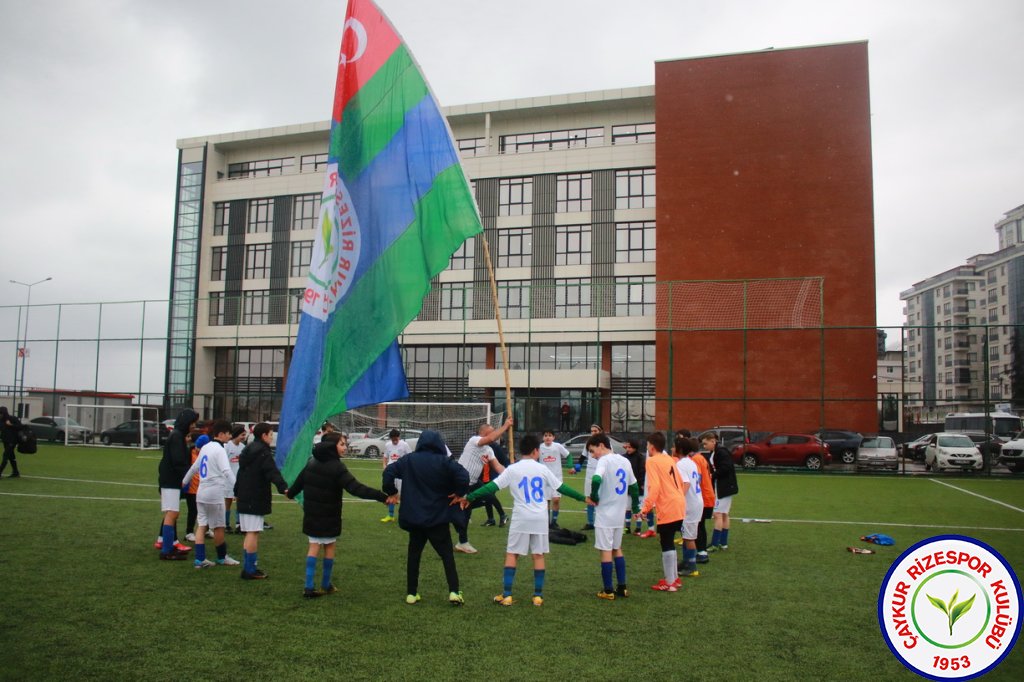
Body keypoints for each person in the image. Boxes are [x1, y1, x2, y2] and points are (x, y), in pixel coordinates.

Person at [464, 433, 587, 607]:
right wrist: (583, 499)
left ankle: (507, 595)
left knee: (512, 554)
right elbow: (562, 488)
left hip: (521, 518)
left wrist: (470, 497)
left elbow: (492, 487)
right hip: (540, 517)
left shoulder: (513, 469)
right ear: (536, 451)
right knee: (538, 555)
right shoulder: (543, 469)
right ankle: (537, 596)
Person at [287, 432, 389, 598]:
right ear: (331, 446)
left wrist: (290, 494)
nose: (345, 448)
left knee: (313, 547)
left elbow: (298, 484)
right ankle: (325, 584)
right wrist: (382, 497)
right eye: (342, 444)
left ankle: (309, 586)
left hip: (312, 514)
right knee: (329, 547)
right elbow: (356, 488)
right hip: (329, 515)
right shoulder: (337, 467)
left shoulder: (311, 463)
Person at [382, 430, 469, 606]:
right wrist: (459, 493)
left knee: (414, 555)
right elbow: (464, 475)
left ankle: (411, 594)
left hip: (414, 518)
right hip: (437, 518)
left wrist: (391, 491)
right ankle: (453, 592)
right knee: (447, 556)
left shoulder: (409, 460)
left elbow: (388, 472)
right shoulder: (444, 461)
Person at [586, 433, 639, 600]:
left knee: (606, 551)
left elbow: (596, 479)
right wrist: (636, 506)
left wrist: (593, 495)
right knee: (617, 549)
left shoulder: (604, 460)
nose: (593, 455)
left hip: (605, 513)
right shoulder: (624, 461)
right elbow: (634, 486)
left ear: (601, 445)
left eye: (593, 451)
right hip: (619, 514)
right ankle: (622, 587)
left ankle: (608, 590)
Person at [181, 420, 240, 569]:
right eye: (228, 433)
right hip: (214, 492)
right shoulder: (219, 450)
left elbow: (194, 467)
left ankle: (200, 560)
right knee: (219, 526)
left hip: (201, 492)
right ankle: (222, 557)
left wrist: (184, 481)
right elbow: (227, 471)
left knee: (202, 525)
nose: (230, 436)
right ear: (221, 434)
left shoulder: (205, 447)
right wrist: (238, 488)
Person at [234, 422, 288, 580]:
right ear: (264, 435)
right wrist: (284, 488)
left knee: (250, 533)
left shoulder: (248, 449)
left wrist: (237, 491)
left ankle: (248, 567)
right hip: (254, 496)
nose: (272, 437)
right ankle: (250, 569)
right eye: (271, 434)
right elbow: (273, 473)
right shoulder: (262, 453)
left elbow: (240, 473)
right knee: (252, 532)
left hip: (245, 495)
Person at [453, 417, 513, 553]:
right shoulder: (474, 441)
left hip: (473, 483)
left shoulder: (489, 450)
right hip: (460, 481)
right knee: (465, 511)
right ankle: (462, 539)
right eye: (492, 432)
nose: (495, 436)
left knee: (489, 496)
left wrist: (513, 472)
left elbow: (498, 467)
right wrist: (505, 426)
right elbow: (491, 438)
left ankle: (461, 528)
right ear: (484, 433)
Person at [637, 431, 686, 592]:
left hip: (668, 505)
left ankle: (670, 582)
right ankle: (674, 579)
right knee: (669, 540)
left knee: (666, 542)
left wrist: (645, 508)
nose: (647, 448)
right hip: (679, 503)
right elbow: (678, 481)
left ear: (651, 446)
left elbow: (655, 487)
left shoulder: (652, 461)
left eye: (647, 445)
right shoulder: (669, 459)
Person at [156, 408, 198, 560]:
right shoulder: (177, 437)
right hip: (170, 480)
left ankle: (168, 544)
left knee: (173, 513)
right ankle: (167, 550)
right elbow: (178, 461)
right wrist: (188, 476)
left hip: (171, 480)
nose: (194, 426)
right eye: (193, 423)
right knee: (172, 512)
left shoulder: (178, 436)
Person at [673, 436, 703, 578]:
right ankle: (686, 562)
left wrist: (678, 499)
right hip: (695, 501)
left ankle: (692, 567)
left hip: (690, 504)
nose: (672, 449)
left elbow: (686, 483)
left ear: (679, 449)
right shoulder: (690, 462)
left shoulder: (680, 465)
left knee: (689, 537)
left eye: (674, 446)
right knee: (686, 535)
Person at [703, 432, 739, 551]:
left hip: (724, 487)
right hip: (724, 486)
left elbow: (726, 467)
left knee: (717, 514)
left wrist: (712, 475)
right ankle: (723, 543)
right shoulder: (715, 452)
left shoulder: (721, 452)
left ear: (713, 441)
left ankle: (714, 543)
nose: (704, 446)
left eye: (705, 443)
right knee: (723, 514)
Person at [539, 430, 570, 528]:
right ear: (543, 437)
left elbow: (568, 455)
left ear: (553, 437)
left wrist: (570, 466)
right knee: (546, 501)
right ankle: (546, 522)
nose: (548, 437)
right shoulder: (539, 447)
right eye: (545, 435)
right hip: (544, 479)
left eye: (550, 435)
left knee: (556, 500)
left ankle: (554, 522)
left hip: (557, 478)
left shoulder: (558, 446)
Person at [692, 438, 717, 564]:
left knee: (698, 525)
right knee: (699, 525)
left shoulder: (696, 459)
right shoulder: (700, 457)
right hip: (706, 495)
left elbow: (698, 478)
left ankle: (701, 553)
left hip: (703, 497)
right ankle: (701, 552)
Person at [380, 428, 412, 523]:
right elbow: (385, 456)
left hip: (401, 473)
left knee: (404, 494)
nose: (394, 441)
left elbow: (410, 457)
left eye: (396, 439)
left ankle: (406, 516)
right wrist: (384, 466)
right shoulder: (387, 445)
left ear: (399, 437)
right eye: (392, 439)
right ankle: (390, 515)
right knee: (391, 494)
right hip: (391, 473)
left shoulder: (405, 445)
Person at [579, 424, 604, 530]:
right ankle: (590, 522)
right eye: (592, 431)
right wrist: (578, 466)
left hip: (602, 473)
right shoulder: (588, 443)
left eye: (595, 431)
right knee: (589, 497)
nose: (593, 433)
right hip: (590, 473)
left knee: (601, 497)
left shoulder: (605, 444)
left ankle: (601, 521)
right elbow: (583, 456)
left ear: (600, 431)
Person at [479, 436, 509, 528]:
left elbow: (504, 461)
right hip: (482, 477)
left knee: (489, 495)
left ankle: (503, 515)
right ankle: (491, 519)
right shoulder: (478, 447)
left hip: (493, 477)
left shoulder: (495, 447)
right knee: (487, 497)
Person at [621, 439, 647, 535]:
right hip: (626, 487)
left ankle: (638, 528)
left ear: (635, 448)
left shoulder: (640, 458)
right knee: (627, 508)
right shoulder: (623, 457)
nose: (628, 449)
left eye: (630, 447)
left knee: (637, 508)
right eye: (626, 447)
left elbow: (642, 472)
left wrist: (641, 484)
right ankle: (627, 527)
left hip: (637, 488)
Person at [224, 425, 246, 531]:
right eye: (242, 435)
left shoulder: (242, 447)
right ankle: (226, 524)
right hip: (228, 479)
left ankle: (239, 524)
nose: (244, 437)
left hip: (239, 479)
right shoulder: (227, 446)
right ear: (236, 435)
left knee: (239, 500)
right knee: (227, 501)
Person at [0, 406, 23, 479]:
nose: (0, 415)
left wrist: (11, 425)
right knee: (11, 456)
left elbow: (20, 426)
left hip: (12, 441)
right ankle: (16, 472)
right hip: (5, 441)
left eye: (1, 413)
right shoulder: (1, 421)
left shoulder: (13, 419)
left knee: (5, 456)